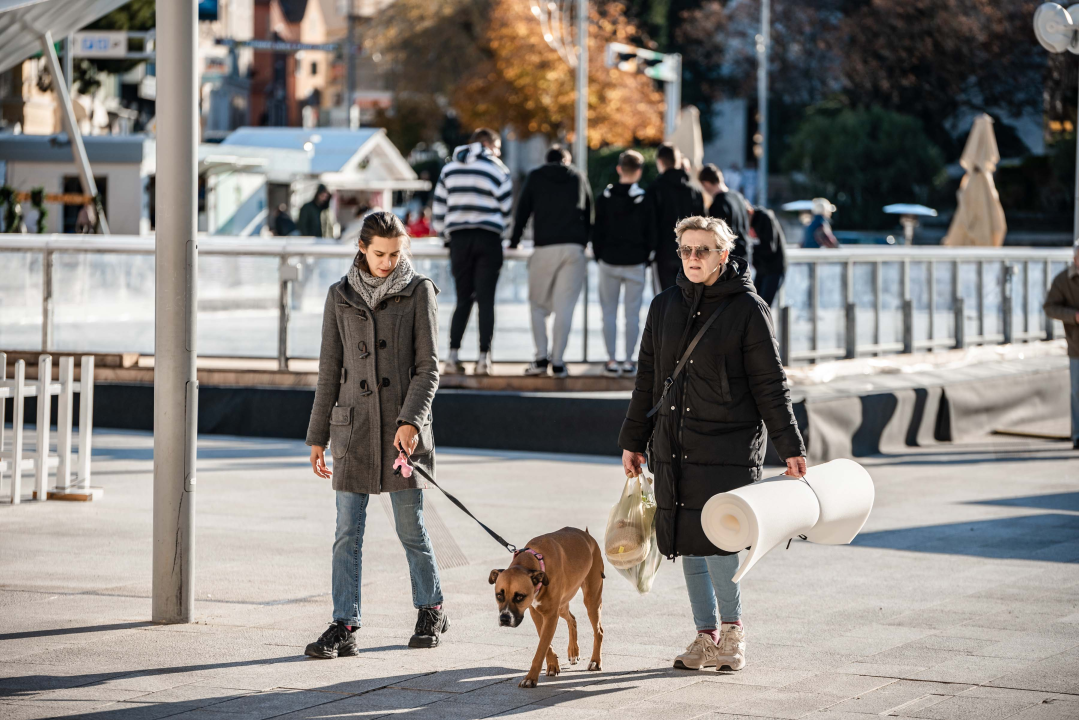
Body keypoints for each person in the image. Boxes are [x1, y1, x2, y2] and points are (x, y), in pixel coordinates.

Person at [618, 215, 807, 674]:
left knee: (721, 542)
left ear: (724, 254)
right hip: (674, 444)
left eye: (704, 250)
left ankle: (734, 632)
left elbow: (770, 384)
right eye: (686, 250)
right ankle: (706, 636)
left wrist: (791, 445)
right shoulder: (663, 306)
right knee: (685, 539)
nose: (693, 258)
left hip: (728, 445)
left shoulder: (747, 308)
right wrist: (633, 439)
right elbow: (647, 377)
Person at [304, 211, 447, 658]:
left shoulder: (419, 290)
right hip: (352, 431)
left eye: (395, 254)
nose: (388, 262)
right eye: (380, 253)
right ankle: (343, 624)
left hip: (403, 434)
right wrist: (317, 436)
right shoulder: (339, 295)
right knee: (347, 531)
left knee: (411, 527)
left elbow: (429, 368)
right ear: (362, 248)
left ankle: (431, 608)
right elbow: (329, 371)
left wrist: (411, 420)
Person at [433, 128, 513, 376]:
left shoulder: (449, 169)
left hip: (459, 240)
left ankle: (452, 356)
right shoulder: (498, 169)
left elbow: (438, 209)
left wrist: (443, 233)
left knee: (463, 299)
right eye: (497, 147)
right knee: (486, 300)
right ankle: (483, 359)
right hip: (489, 238)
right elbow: (507, 210)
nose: (498, 152)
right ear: (489, 144)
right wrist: (504, 231)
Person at [510, 145, 592, 378]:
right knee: (564, 309)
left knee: (538, 305)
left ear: (547, 160)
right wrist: (585, 241)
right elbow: (589, 212)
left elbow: (523, 209)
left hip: (544, 246)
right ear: (567, 160)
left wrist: (515, 240)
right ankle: (558, 362)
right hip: (574, 249)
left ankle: (540, 358)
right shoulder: (578, 176)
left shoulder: (536, 176)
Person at [593, 149, 653, 375]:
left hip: (608, 261)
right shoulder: (644, 199)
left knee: (608, 313)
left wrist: (600, 255)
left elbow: (596, 231)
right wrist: (646, 257)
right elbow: (651, 233)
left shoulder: (604, 197)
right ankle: (629, 361)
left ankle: (611, 360)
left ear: (619, 169)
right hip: (635, 262)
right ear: (639, 171)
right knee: (632, 315)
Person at [647, 144, 704, 291]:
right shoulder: (694, 191)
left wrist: (650, 250)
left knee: (665, 301)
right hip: (691, 254)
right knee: (689, 301)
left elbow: (650, 224)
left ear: (660, 162)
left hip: (663, 253)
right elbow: (703, 225)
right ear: (678, 161)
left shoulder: (655, 189)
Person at [1044, 238, 1079, 450]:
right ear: (1075, 258)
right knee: (1077, 393)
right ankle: (1077, 435)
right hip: (1077, 347)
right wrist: (1073, 316)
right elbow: (1049, 307)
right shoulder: (1062, 280)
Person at [699, 164, 751, 267]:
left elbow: (717, 239)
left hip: (730, 260)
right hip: (745, 256)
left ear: (706, 184)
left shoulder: (717, 204)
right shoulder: (739, 197)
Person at [746, 201, 787, 307]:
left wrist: (750, 248)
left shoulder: (765, 217)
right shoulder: (752, 221)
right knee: (753, 303)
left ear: (750, 212)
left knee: (763, 306)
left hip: (774, 268)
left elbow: (770, 247)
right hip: (761, 269)